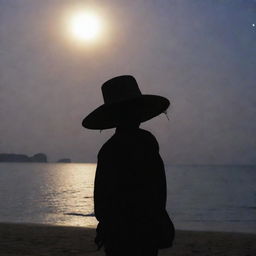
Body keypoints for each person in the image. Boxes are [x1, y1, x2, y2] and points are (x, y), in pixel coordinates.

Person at [82, 75, 174, 256]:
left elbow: (101, 200)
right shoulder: (146, 142)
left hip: (119, 234)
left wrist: (108, 226)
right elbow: (158, 190)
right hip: (145, 231)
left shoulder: (109, 149)